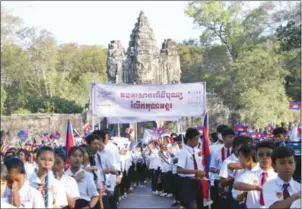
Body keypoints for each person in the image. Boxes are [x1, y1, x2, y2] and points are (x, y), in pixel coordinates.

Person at [233, 141, 277, 208]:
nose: (265, 157)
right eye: (261, 155)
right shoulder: (250, 174)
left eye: (268, 154)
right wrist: (256, 187)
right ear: (256, 156)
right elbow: (236, 185)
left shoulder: (278, 175)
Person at [177, 128, 205, 209]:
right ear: (190, 139)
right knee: (191, 206)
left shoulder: (196, 151)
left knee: (201, 205)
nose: (198, 141)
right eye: (196, 139)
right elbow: (179, 169)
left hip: (199, 182)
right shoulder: (184, 151)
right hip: (189, 182)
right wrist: (195, 171)